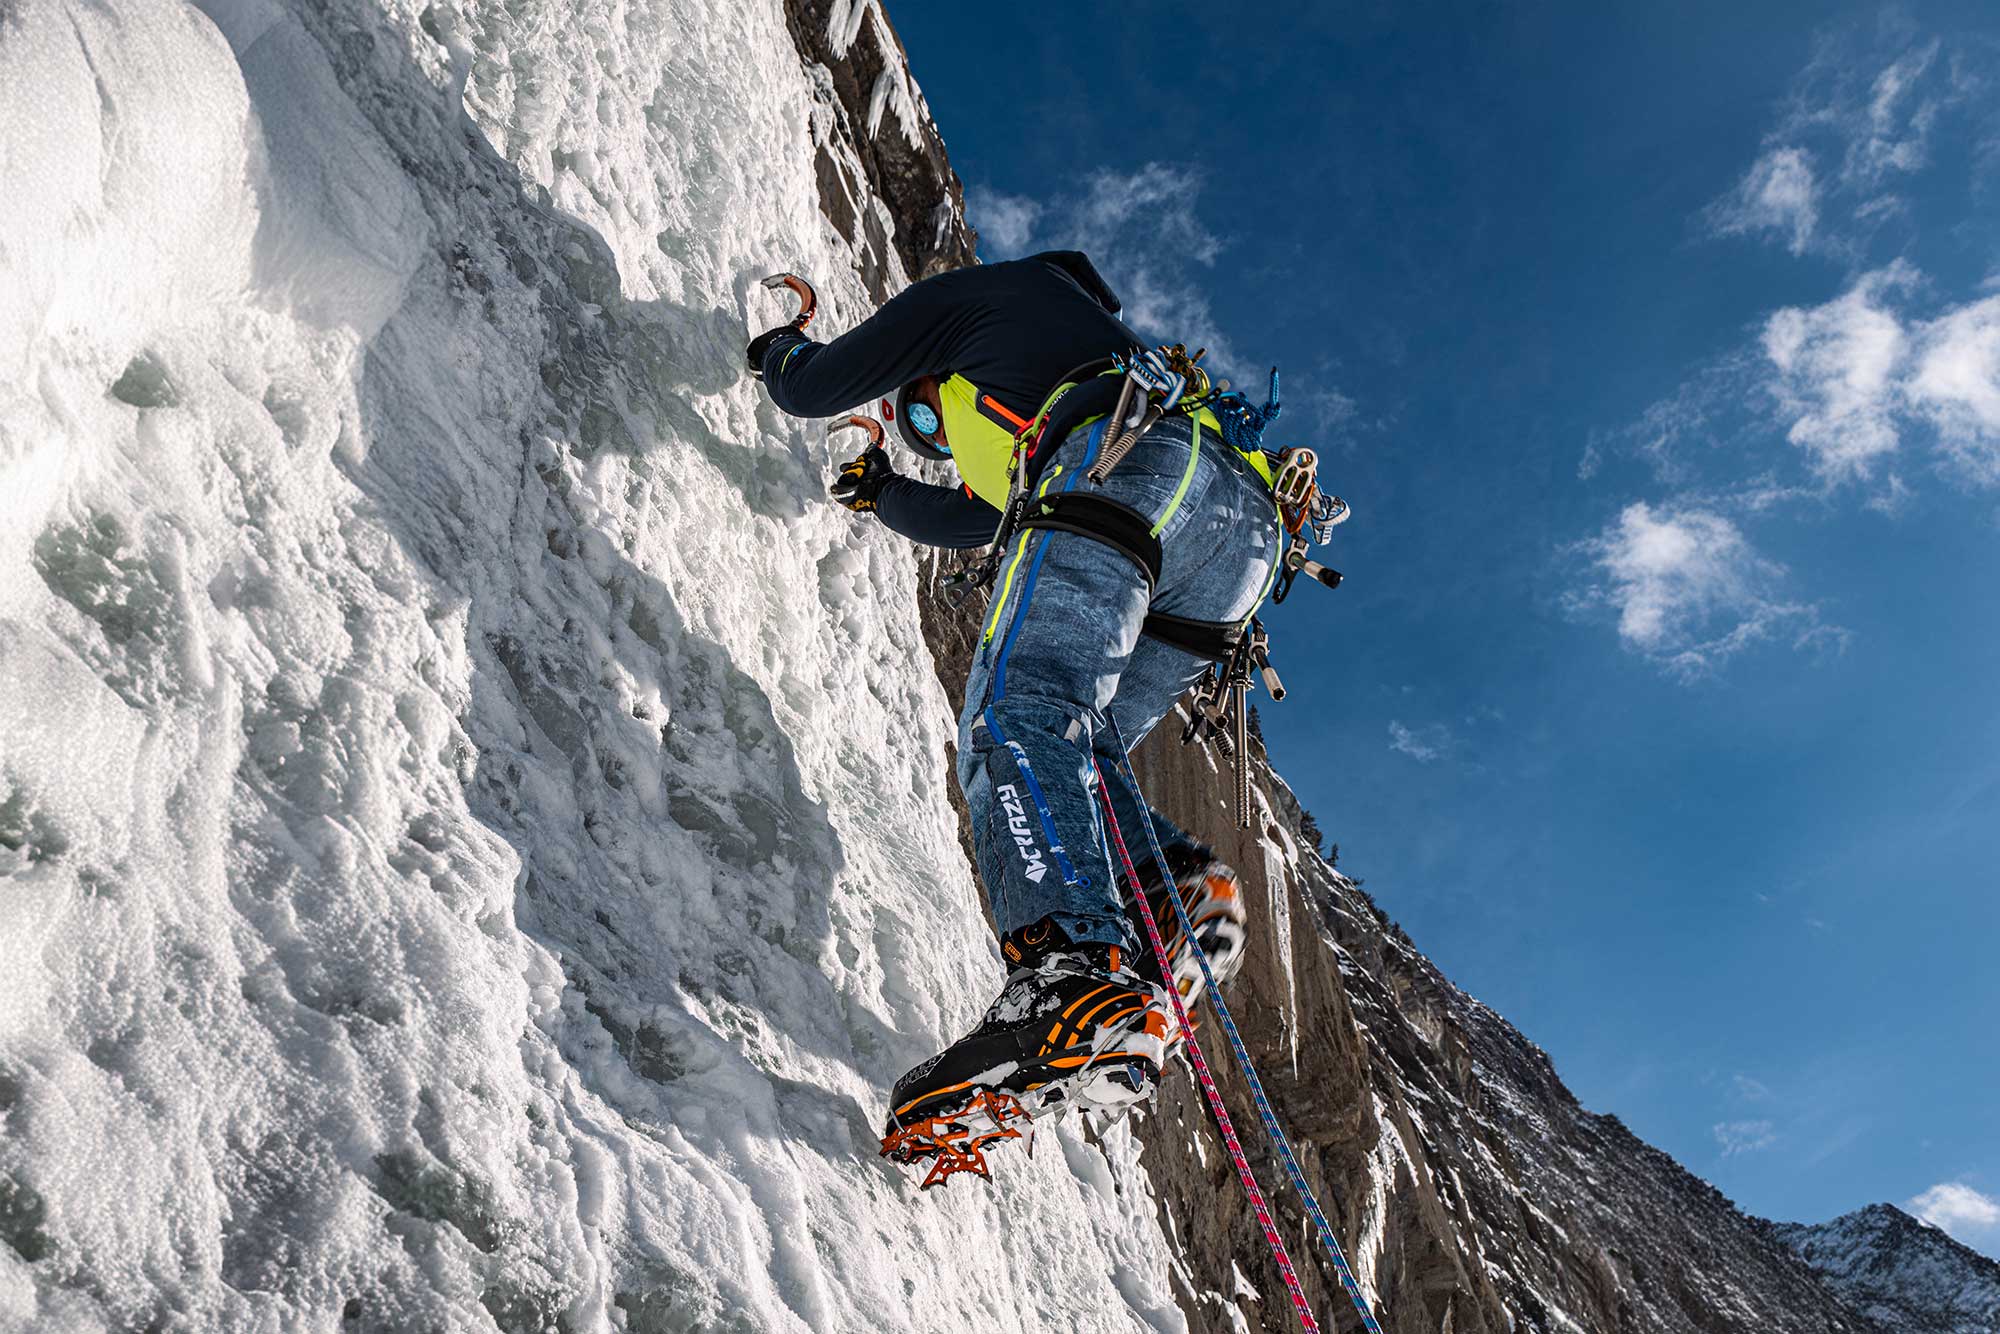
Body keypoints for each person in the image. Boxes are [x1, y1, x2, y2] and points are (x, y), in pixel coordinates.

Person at [749, 251, 1275, 1178]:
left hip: (1128, 465)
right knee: (1078, 743)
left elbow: (821, 386)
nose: (935, 435)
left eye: (924, 414)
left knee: (1022, 712)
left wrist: (780, 351)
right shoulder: (1071, 359)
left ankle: (1075, 975)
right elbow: (979, 516)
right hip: (1237, 537)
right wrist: (885, 495)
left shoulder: (976, 296)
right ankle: (1170, 887)